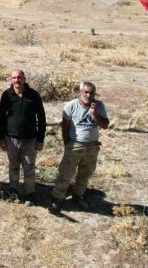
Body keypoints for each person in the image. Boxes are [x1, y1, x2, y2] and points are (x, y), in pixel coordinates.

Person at [50, 81, 110, 213]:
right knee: (66, 173)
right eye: (86, 92)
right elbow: (65, 127)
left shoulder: (99, 106)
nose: (88, 95)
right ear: (80, 92)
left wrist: (95, 114)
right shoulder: (71, 106)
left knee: (85, 173)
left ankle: (77, 195)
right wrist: (67, 144)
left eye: (91, 93)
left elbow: (105, 125)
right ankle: (57, 198)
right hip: (75, 144)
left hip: (92, 146)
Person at [0, 69, 46, 205]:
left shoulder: (33, 95)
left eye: (19, 77)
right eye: (14, 78)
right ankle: (13, 190)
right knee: (13, 166)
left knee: (29, 166)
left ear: (24, 79)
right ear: (11, 80)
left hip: (30, 139)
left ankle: (30, 193)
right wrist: (1, 138)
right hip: (11, 138)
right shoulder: (7, 95)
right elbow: (1, 117)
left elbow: (41, 118)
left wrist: (41, 139)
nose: (17, 80)